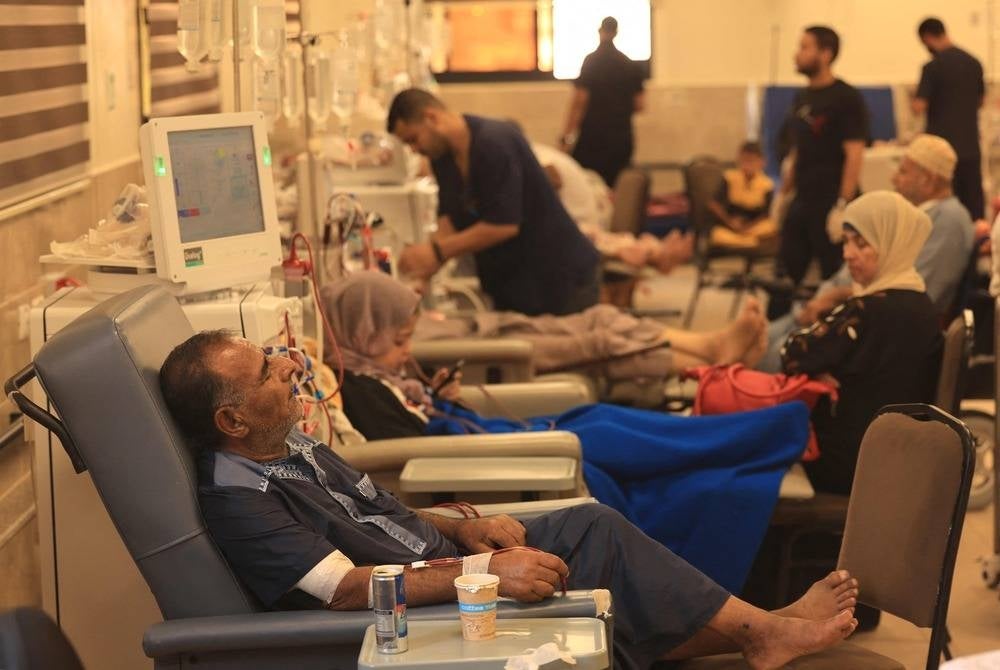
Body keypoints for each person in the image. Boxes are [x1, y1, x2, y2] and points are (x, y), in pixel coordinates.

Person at [158, 332, 860, 670]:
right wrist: (481, 577)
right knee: (601, 551)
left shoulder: (289, 445)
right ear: (231, 420)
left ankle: (754, 630)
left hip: (443, 563)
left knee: (595, 524)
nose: (287, 365)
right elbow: (344, 591)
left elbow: (379, 516)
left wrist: (463, 527)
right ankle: (759, 633)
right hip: (416, 618)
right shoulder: (238, 498)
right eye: (265, 372)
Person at [322, 272, 806, 593]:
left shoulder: (387, 377)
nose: (408, 355)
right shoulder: (361, 389)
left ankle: (756, 430)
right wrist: (435, 408)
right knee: (600, 434)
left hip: (490, 434)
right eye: (399, 342)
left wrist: (435, 395)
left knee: (599, 416)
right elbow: (411, 450)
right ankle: (764, 432)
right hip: (476, 451)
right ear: (359, 336)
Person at [759, 135, 973, 371]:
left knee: (763, 356)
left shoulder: (949, 220)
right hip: (836, 308)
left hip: (862, 323)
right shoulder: (913, 216)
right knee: (753, 340)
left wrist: (835, 299)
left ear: (928, 180)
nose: (894, 178)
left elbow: (916, 293)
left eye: (903, 171)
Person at [780, 191, 943, 495]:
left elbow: (792, 353)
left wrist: (819, 369)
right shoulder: (923, 307)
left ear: (892, 244)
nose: (848, 254)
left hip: (848, 461)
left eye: (862, 243)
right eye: (845, 241)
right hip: (892, 455)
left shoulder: (868, 311)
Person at [388, 89, 600, 317]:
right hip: (513, 284)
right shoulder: (443, 158)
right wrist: (423, 271)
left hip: (559, 278)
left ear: (432, 118)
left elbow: (504, 224)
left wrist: (437, 252)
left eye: (413, 139)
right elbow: (449, 219)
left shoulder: (494, 142)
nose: (414, 150)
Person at [772, 26, 868, 319]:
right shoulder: (801, 97)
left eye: (805, 47)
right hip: (803, 198)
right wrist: (783, 194)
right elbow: (797, 151)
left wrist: (843, 205)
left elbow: (854, 154)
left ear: (825, 54)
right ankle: (769, 334)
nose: (797, 54)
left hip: (831, 204)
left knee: (833, 278)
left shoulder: (846, 98)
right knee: (783, 276)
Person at [531, 140, 693, 274]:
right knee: (598, 239)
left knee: (588, 240)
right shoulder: (537, 152)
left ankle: (650, 252)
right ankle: (655, 252)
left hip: (579, 222)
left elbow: (553, 181)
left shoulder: (535, 158)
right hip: (583, 219)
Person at [559, 16, 646, 187]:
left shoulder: (591, 62)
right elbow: (640, 105)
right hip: (621, 138)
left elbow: (579, 102)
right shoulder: (630, 65)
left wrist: (566, 137)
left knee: (590, 187)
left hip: (592, 138)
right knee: (616, 188)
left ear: (600, 31)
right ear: (616, 33)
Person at [914, 17, 985, 220]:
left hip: (941, 153)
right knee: (973, 207)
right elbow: (980, 101)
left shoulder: (932, 68)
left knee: (943, 210)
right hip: (970, 146)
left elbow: (919, 106)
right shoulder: (974, 63)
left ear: (927, 38)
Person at [707, 141, 778, 250]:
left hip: (753, 226)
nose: (747, 165)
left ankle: (746, 241)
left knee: (772, 227)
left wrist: (748, 227)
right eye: (744, 160)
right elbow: (714, 204)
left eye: (751, 161)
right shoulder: (729, 178)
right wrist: (730, 222)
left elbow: (767, 213)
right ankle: (749, 242)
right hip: (731, 223)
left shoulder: (766, 184)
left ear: (761, 162)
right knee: (717, 234)